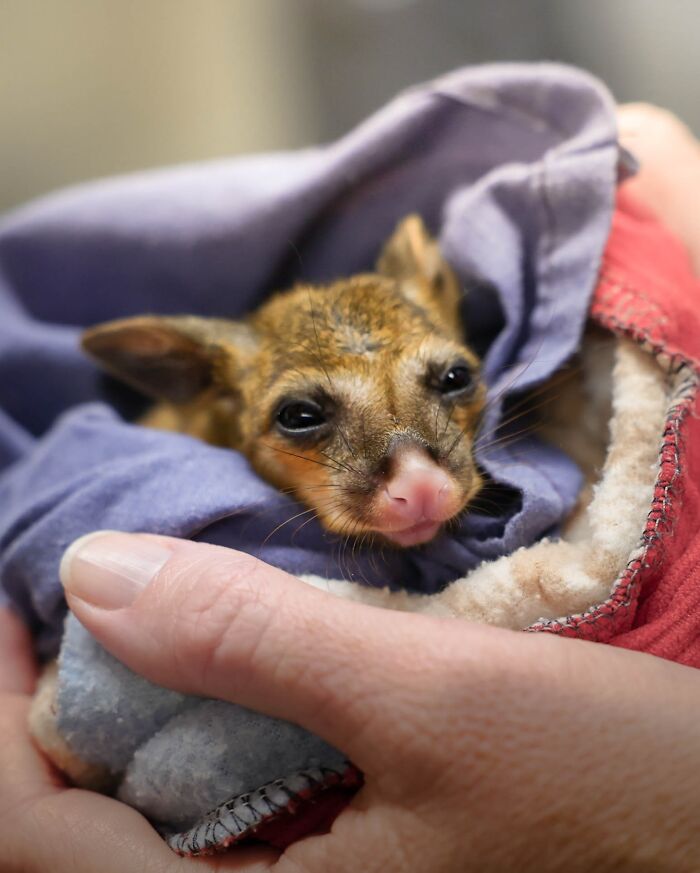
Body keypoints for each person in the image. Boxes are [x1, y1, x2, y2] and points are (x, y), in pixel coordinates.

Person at [2, 104, 700, 873]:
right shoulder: (176, 443)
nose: (421, 482)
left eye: (449, 380)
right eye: (305, 416)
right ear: (212, 391)